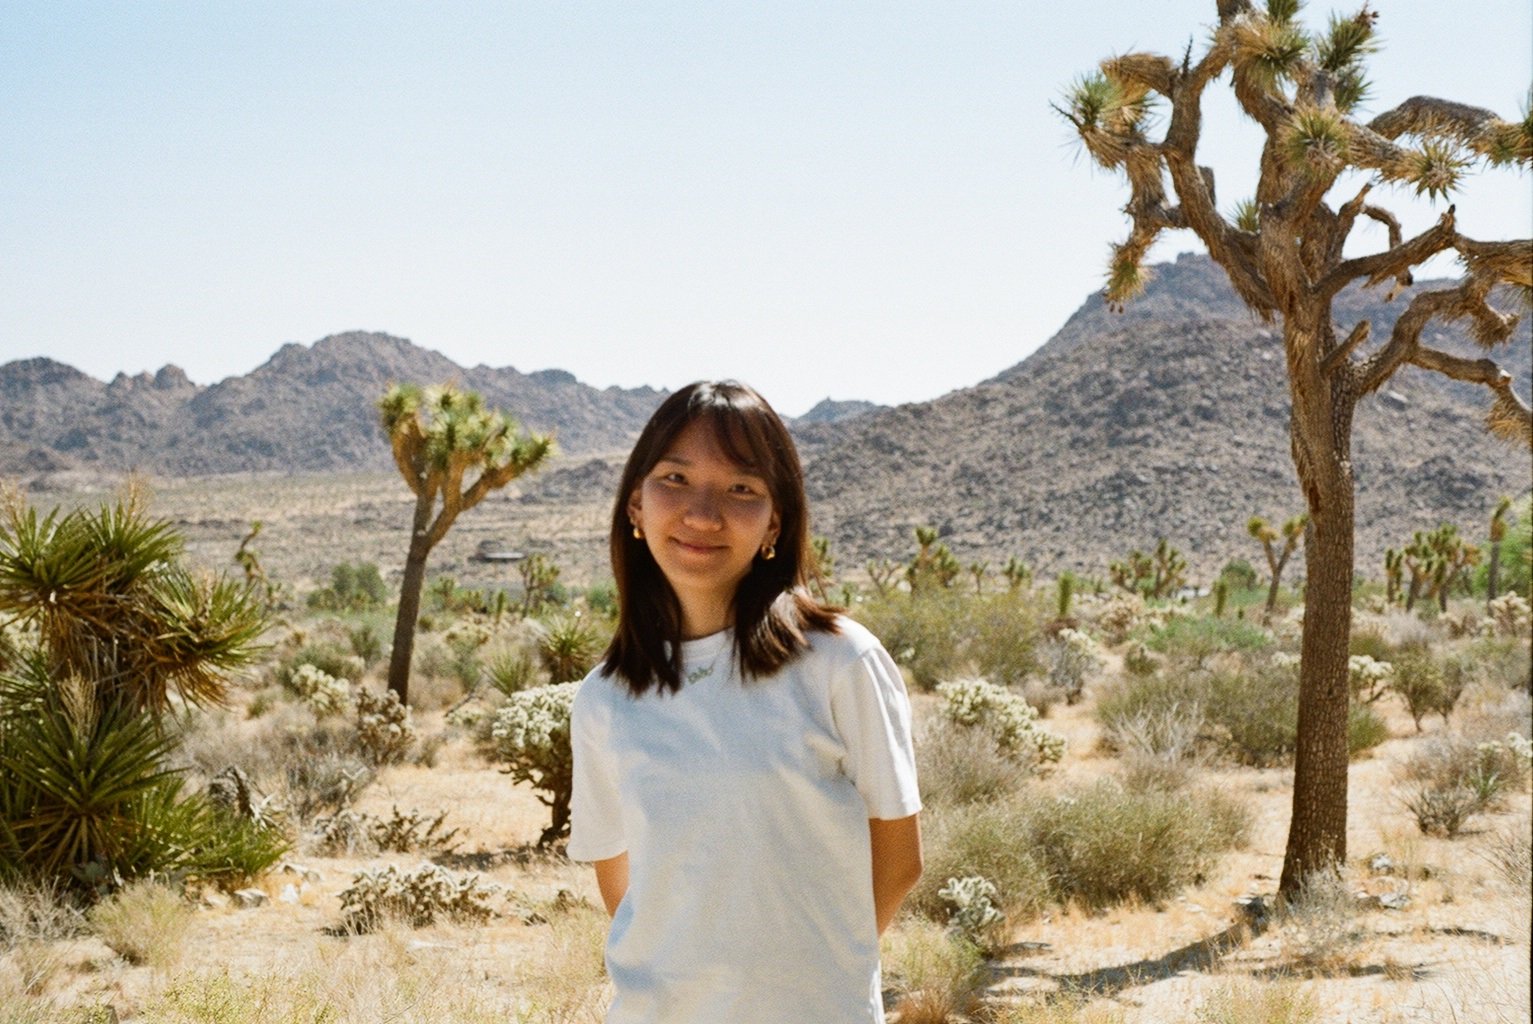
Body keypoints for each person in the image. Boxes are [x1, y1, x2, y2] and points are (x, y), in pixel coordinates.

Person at [567, 380, 923, 1024]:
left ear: (774, 523)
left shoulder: (841, 662)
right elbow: (622, 884)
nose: (703, 514)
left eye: (741, 490)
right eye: (675, 478)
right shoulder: (605, 698)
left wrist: (821, 975)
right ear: (635, 509)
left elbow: (899, 858)